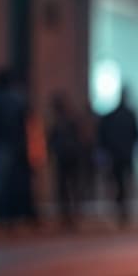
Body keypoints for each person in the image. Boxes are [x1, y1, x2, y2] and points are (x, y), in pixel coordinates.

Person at [0, 69, 37, 229]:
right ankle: (15, 214)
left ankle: (5, 215)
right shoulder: (16, 101)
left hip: (1, 146)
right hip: (14, 146)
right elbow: (26, 124)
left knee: (3, 182)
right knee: (14, 182)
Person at [97, 91, 138, 228]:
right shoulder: (128, 115)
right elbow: (136, 134)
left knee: (119, 183)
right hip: (124, 155)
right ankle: (123, 209)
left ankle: (121, 208)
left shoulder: (112, 116)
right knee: (123, 183)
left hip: (116, 155)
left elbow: (102, 136)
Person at [46, 93, 90, 230]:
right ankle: (67, 214)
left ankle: (73, 213)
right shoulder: (59, 122)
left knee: (71, 186)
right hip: (65, 158)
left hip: (71, 157)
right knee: (65, 187)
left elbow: (81, 137)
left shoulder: (68, 121)